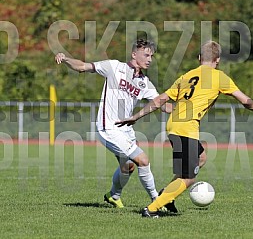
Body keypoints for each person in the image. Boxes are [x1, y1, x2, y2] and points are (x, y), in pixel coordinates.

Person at [115, 40, 253, 218]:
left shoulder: (186, 76)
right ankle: (152, 209)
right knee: (189, 177)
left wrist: (136, 116)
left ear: (199, 58)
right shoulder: (219, 77)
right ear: (217, 60)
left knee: (201, 156)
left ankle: (167, 195)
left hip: (174, 125)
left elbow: (160, 100)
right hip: (186, 128)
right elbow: (245, 100)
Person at [55, 39, 172, 208]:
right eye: (146, 55)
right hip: (108, 128)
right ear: (134, 54)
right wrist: (65, 58)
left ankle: (114, 195)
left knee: (129, 167)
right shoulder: (114, 67)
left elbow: (162, 105)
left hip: (126, 130)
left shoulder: (144, 82)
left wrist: (184, 106)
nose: (150, 59)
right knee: (143, 160)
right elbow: (82, 67)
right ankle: (157, 201)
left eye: (151, 56)